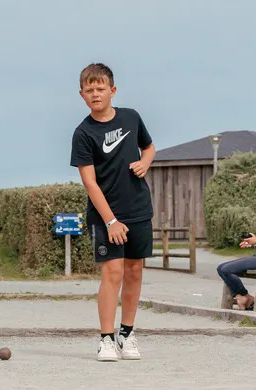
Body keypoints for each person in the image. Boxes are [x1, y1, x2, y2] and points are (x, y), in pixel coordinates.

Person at [70, 62, 156, 362]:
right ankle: (106, 339)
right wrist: (111, 220)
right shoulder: (83, 133)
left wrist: (146, 162)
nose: (96, 94)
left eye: (101, 88)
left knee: (134, 272)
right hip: (106, 216)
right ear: (82, 95)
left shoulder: (131, 118)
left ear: (112, 90)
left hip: (138, 209)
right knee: (113, 272)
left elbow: (149, 148)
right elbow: (90, 183)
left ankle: (127, 334)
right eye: (89, 90)